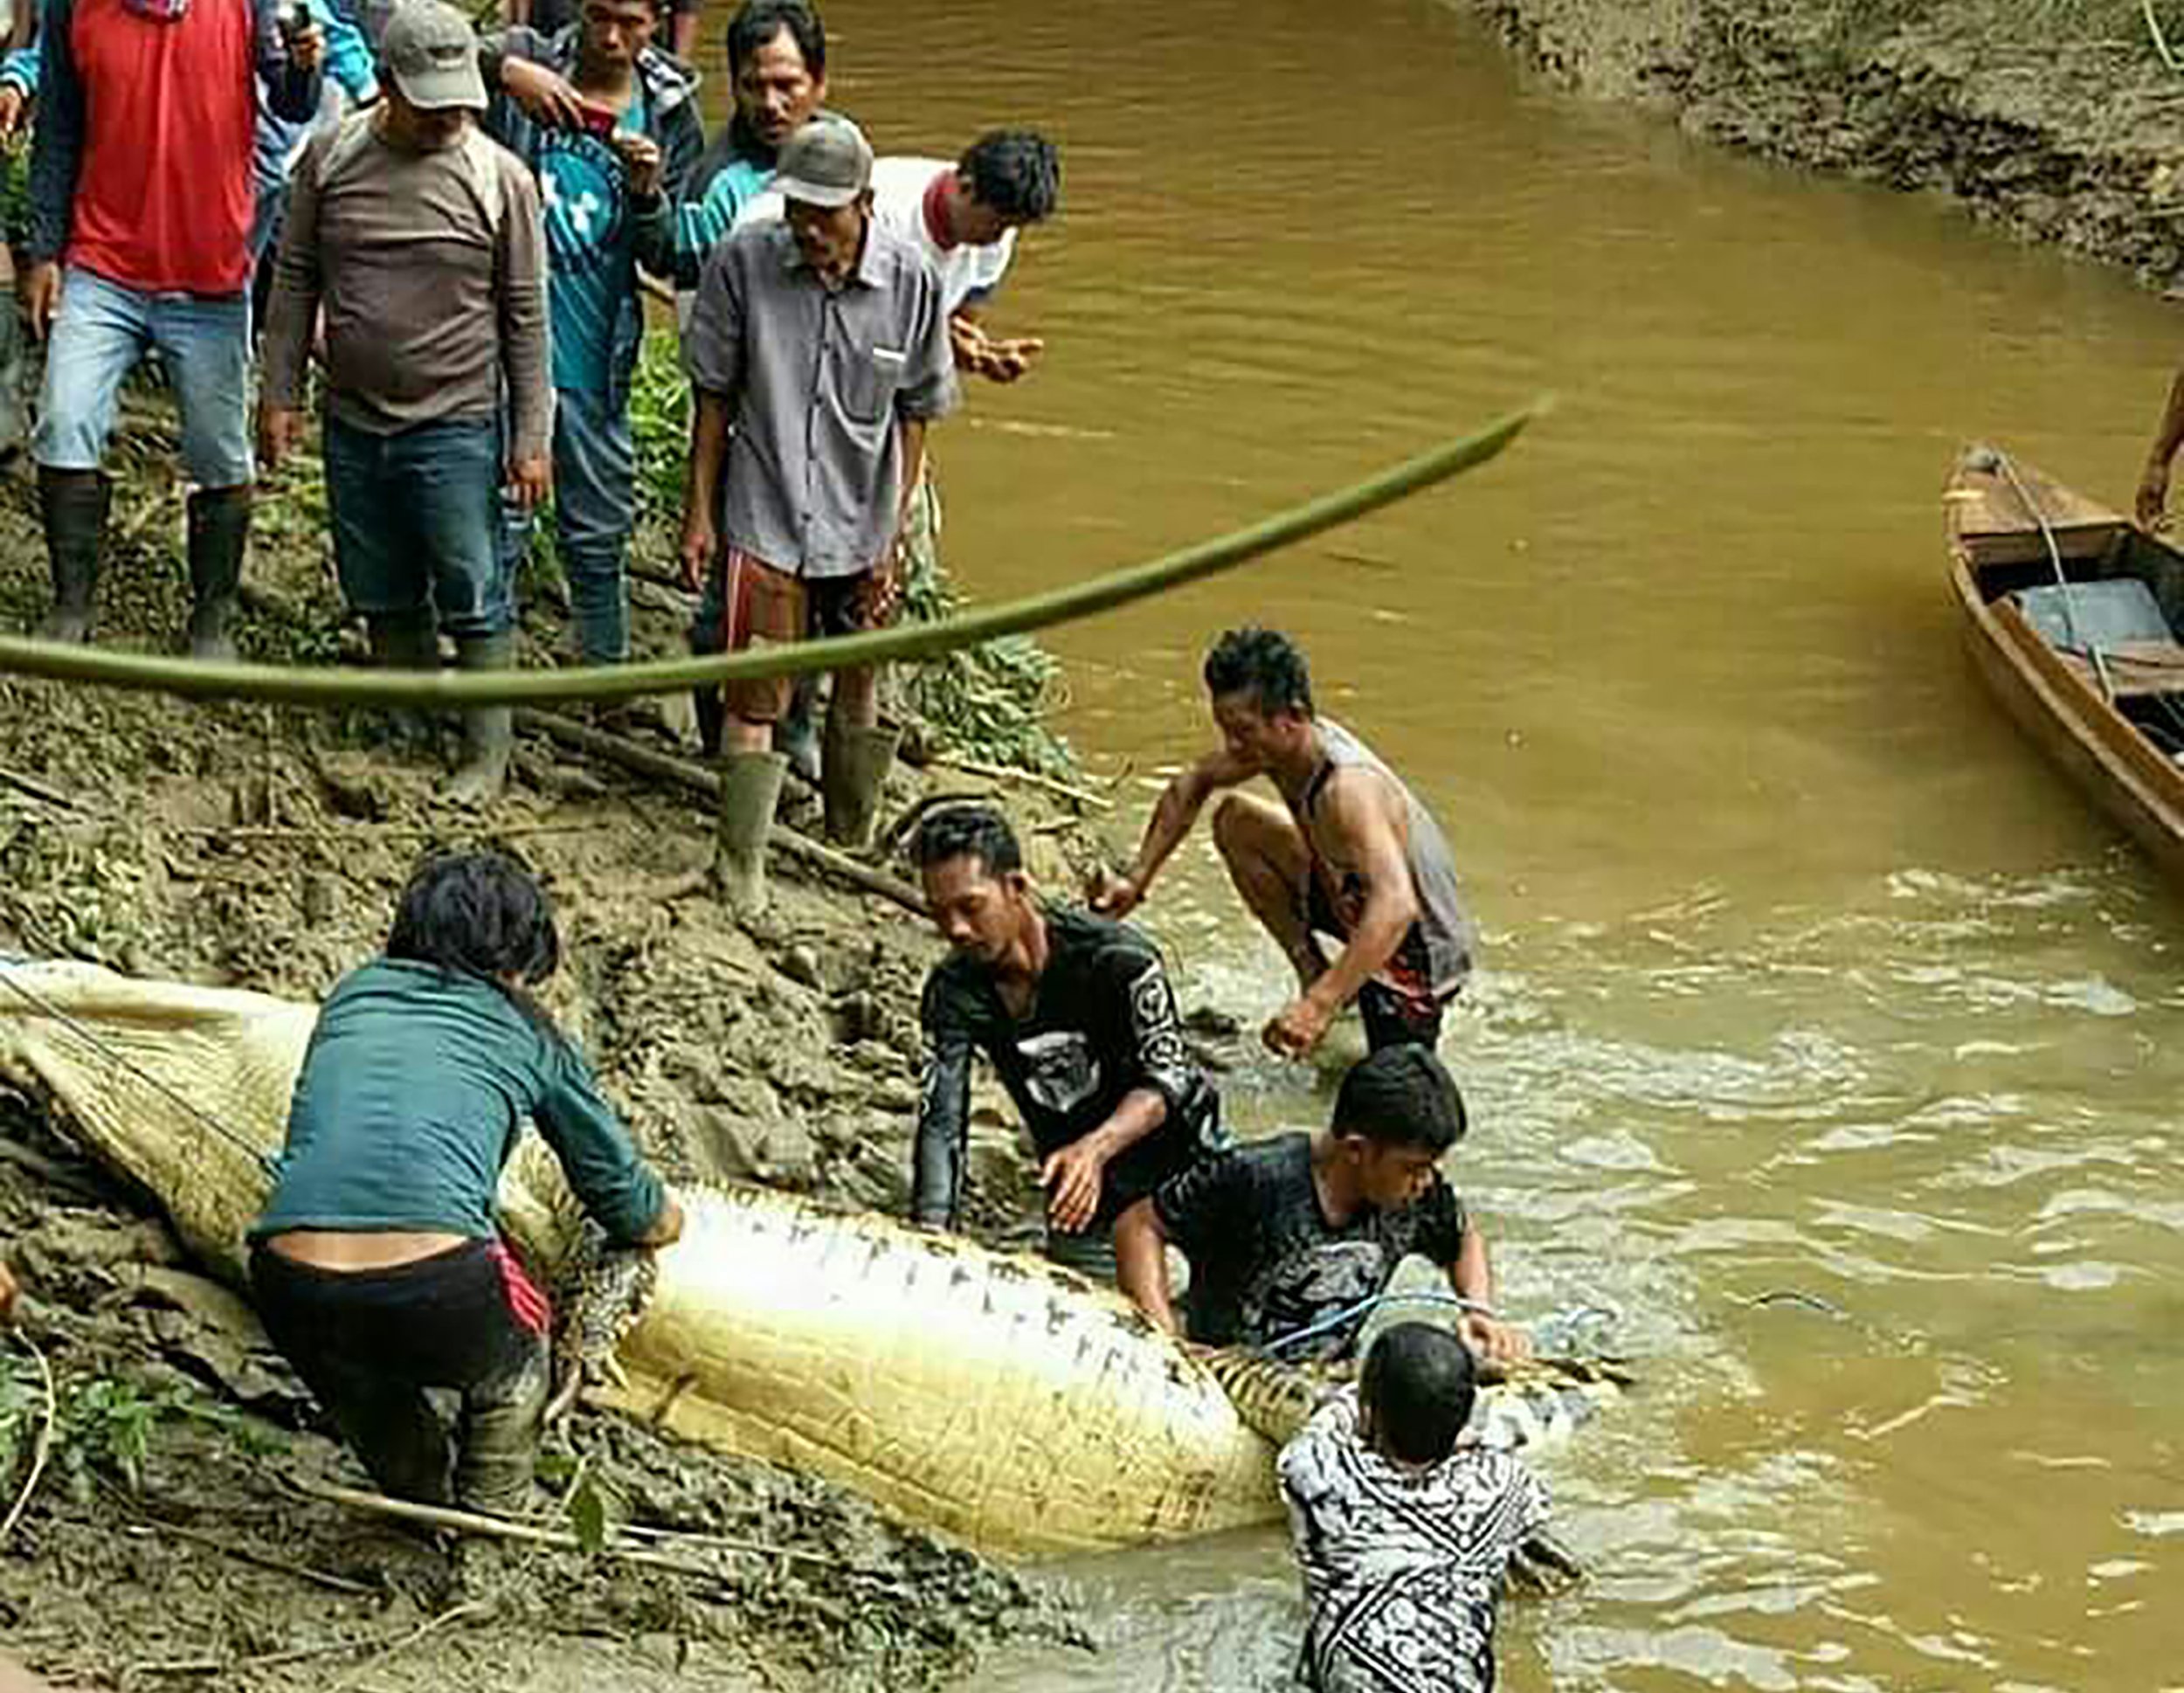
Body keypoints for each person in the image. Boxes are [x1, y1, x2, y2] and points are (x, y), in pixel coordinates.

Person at [248, 849, 684, 1516]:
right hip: (440, 1283)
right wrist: (667, 1221)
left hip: (286, 1281)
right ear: (518, 959)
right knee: (518, 1365)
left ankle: (416, 1495)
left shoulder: (352, 995)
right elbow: (627, 1203)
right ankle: (490, 1517)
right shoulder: (529, 1031)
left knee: (363, 1388)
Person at [260, 0, 553, 805]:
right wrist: (279, 393)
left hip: (457, 419)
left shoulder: (499, 179)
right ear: (387, 85)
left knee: (473, 586)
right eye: (430, 104)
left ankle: (485, 753)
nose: (447, 118)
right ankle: (406, 724)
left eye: (459, 103)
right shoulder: (331, 159)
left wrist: (532, 437)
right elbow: (295, 278)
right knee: (379, 581)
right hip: (354, 415)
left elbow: (526, 315)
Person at [680, 111, 955, 902]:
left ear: (864, 204)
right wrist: (700, 513)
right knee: (755, 690)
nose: (807, 229)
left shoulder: (912, 281)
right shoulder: (742, 264)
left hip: (863, 515)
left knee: (860, 680)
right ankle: (741, 866)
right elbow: (713, 398)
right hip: (764, 513)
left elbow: (916, 414)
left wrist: (894, 533)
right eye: (796, 210)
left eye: (824, 214)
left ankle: (851, 839)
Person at [737, 128, 1061, 777]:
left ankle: (846, 731)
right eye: (993, 222)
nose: (996, 240)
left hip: (881, 412)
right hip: (798, 398)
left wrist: (976, 354)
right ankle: (781, 722)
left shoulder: (992, 242)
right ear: (964, 186)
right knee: (787, 583)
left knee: (876, 588)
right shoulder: (880, 215)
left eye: (1009, 229)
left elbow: (941, 337)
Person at [22, 0, 324, 656]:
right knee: (64, 421)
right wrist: (45, 251)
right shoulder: (74, 6)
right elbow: (59, 128)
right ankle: (71, 605)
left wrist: (305, 69)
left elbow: (292, 102)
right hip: (102, 261)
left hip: (208, 274)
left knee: (221, 453)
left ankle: (212, 621)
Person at [1094, 627, 1476, 1059]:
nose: (1232, 745)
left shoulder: (1349, 789)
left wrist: (1318, 1007)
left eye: (1243, 731)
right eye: (1225, 730)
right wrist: (1137, 879)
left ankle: (1333, 996)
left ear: (1292, 716)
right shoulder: (1277, 750)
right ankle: (1312, 970)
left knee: (1379, 1082)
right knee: (1237, 821)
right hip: (1350, 897)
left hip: (1415, 953)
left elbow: (1396, 906)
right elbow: (1194, 782)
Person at [908, 805, 1227, 1280]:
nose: (955, 929)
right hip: (1083, 1204)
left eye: (970, 907)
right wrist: (932, 1238)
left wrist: (1094, 1150)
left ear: (1016, 887)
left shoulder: (1119, 960)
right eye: (940, 914)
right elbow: (941, 1122)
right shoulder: (954, 992)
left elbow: (1168, 1077)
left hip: (1187, 1171)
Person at [485, 0, 702, 669]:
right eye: (599, 15)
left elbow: (670, 254)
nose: (610, 37)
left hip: (596, 362)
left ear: (658, 20)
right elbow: (412, 51)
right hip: (495, 355)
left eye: (630, 22)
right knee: (496, 530)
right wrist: (506, 72)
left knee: (598, 535)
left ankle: (601, 683)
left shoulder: (670, 112)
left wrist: (647, 196)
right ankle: (485, 690)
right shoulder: (528, 58)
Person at [1113, 1044, 1525, 1365]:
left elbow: (1463, 1239)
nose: (1427, 1181)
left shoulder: (1416, 1193)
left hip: (1324, 1373)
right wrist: (1168, 1344)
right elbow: (1138, 1227)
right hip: (1226, 1368)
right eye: (1414, 1168)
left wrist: (1479, 1311)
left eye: (1433, 1167)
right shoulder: (1255, 1176)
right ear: (1357, 1150)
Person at [1279, 1323, 1551, 1693]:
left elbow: (1330, 1417)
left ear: (1369, 1412)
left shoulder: (1319, 1471)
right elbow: (1529, 1509)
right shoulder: (1508, 1485)